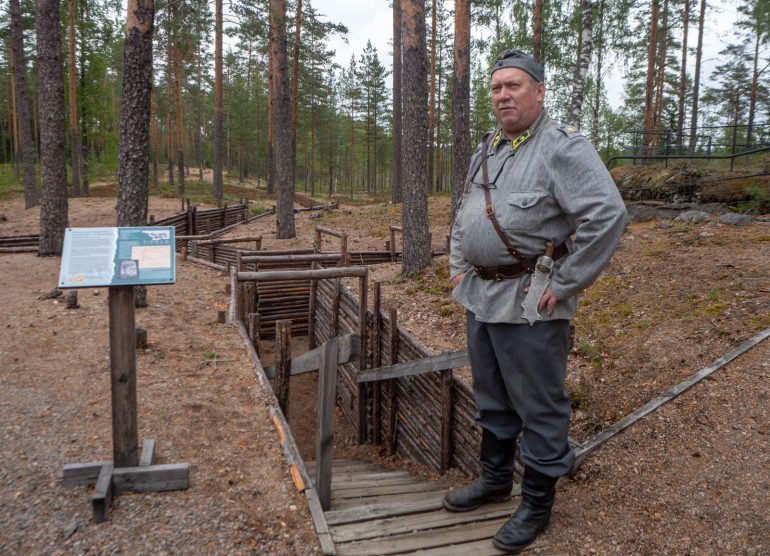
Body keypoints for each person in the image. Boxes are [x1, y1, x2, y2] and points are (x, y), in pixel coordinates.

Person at [444, 48, 627, 554]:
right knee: (492, 396)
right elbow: (464, 214)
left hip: (532, 302)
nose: (503, 95)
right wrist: (458, 267)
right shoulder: (489, 148)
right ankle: (495, 480)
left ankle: (537, 504)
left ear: (540, 91)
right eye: (497, 87)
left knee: (540, 406)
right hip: (480, 296)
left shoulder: (562, 148)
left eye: (514, 86)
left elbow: (608, 215)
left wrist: (565, 283)